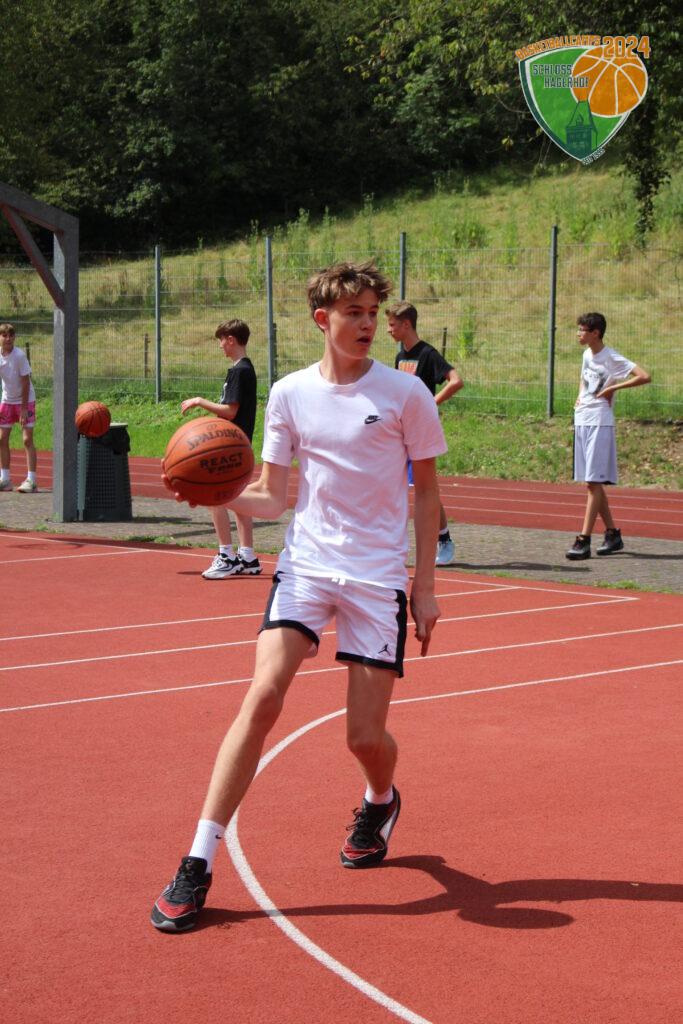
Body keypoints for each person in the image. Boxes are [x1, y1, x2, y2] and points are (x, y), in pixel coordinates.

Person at [152, 260, 447, 932]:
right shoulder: (289, 393)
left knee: (362, 738)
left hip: (375, 578)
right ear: (323, 319)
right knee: (262, 695)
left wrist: (424, 587)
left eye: (372, 313)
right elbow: (273, 495)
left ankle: (380, 798)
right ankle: (197, 860)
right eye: (353, 313)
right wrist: (213, 492)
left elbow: (427, 494)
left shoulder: (406, 394)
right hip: (307, 567)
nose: (367, 324)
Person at [566, 312, 651, 560]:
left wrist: (614, 387)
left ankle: (583, 540)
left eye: (582, 330)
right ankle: (612, 534)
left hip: (600, 423)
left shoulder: (611, 357)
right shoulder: (586, 355)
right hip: (583, 419)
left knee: (593, 483)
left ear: (595, 333)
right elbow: (584, 378)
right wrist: (579, 398)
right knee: (592, 483)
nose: (578, 334)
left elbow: (644, 376)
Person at [181, 319, 262, 579]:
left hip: (230, 446)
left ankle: (226, 555)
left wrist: (199, 401)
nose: (220, 346)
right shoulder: (246, 369)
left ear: (231, 339)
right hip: (240, 444)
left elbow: (230, 411)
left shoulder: (240, 371)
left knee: (213, 495)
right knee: (239, 499)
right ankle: (247, 556)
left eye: (221, 341)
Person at [386, 301, 463, 565]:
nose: (388, 330)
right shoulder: (400, 357)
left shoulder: (428, 354)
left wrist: (432, 402)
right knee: (392, 484)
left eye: (392, 325)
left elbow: (456, 381)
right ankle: (390, 542)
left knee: (424, 486)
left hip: (421, 429)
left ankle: (444, 539)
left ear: (406, 324)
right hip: (401, 428)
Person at [0, 323, 38, 493]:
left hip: (25, 400)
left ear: (14, 337)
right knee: (2, 439)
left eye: (10, 335)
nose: (7, 338)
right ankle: (5, 479)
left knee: (27, 439)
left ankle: (31, 480)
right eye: (4, 335)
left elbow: (26, 382)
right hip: (7, 401)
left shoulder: (19, 356)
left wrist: (23, 408)